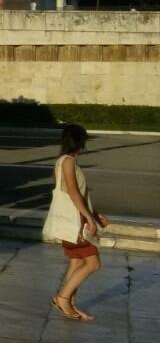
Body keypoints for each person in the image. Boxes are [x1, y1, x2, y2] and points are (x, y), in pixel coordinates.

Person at [49, 125, 108, 322]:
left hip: (74, 218)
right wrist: (89, 218)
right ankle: (63, 298)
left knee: (76, 262)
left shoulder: (63, 161)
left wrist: (95, 214)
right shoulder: (68, 162)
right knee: (93, 263)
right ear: (81, 142)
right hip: (75, 221)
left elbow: (78, 194)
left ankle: (71, 305)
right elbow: (73, 193)